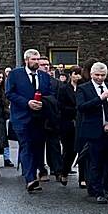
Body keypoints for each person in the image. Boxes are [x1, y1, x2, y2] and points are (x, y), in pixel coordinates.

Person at [6, 49, 52, 193]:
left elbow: (50, 94)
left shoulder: (44, 76)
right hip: (21, 117)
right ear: (26, 60)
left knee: (37, 147)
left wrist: (43, 103)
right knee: (26, 145)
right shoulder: (15, 74)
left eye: (38, 59)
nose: (36, 62)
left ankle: (35, 171)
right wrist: (27, 103)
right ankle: (30, 178)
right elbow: (9, 93)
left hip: (39, 118)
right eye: (33, 59)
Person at [76, 62, 108, 204]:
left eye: (103, 75)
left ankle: (105, 186)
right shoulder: (84, 88)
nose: (100, 78)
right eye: (97, 75)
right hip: (94, 131)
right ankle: (97, 191)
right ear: (91, 74)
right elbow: (81, 107)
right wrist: (100, 98)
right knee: (96, 162)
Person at [37, 56, 64, 184]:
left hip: (53, 118)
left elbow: (60, 101)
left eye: (47, 65)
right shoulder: (34, 81)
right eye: (43, 64)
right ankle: (41, 169)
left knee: (54, 145)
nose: (46, 67)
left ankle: (57, 170)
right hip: (38, 118)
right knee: (39, 146)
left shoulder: (56, 82)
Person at [58, 66, 82, 183]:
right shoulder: (64, 89)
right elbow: (60, 106)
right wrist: (75, 109)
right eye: (76, 74)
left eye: (79, 74)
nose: (78, 76)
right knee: (69, 150)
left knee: (81, 150)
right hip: (68, 123)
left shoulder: (83, 88)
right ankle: (64, 171)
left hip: (81, 123)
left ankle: (83, 178)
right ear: (71, 75)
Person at [2, 65, 15, 167]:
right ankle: (6, 158)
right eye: (7, 72)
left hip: (10, 114)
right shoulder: (2, 85)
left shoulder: (14, 83)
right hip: (2, 115)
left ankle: (8, 158)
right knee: (4, 138)